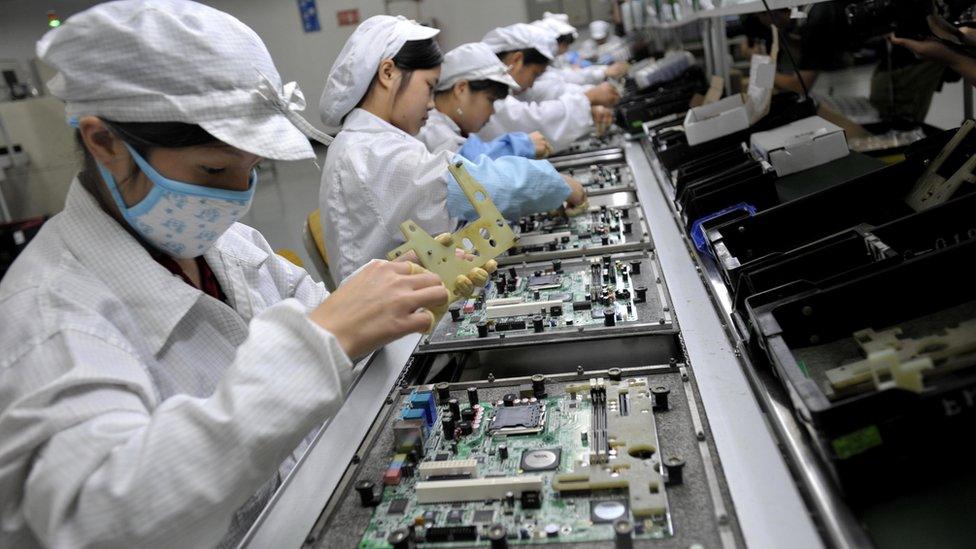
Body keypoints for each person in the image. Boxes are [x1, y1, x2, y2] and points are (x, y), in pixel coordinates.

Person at [0, 1, 459, 548]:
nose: (237, 199)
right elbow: (102, 519)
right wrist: (319, 344)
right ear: (105, 143)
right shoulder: (48, 317)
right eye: (214, 170)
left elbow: (329, 325)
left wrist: (381, 299)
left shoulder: (229, 244)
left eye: (252, 171)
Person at [318, 16, 586, 282]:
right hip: (399, 317)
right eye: (429, 87)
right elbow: (468, 185)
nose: (432, 103)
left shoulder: (373, 141)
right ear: (388, 73)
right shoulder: (373, 152)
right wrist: (554, 182)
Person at [476, 23, 617, 152]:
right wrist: (587, 99)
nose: (532, 84)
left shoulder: (499, 87)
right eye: (535, 74)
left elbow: (550, 89)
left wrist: (586, 101)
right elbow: (532, 122)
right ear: (517, 61)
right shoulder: (487, 94)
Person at [418, 42, 552, 159]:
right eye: (490, 100)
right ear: (461, 89)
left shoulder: (447, 128)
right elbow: (468, 165)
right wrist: (519, 146)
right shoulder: (433, 131)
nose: (493, 111)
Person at [531, 14, 630, 92]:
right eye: (565, 44)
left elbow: (565, 76)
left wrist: (603, 71)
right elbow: (560, 86)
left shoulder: (550, 62)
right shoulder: (538, 69)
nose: (566, 49)